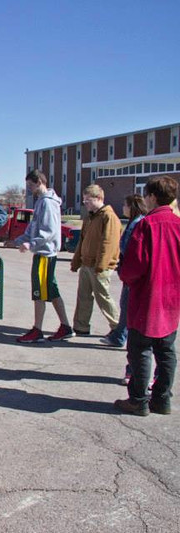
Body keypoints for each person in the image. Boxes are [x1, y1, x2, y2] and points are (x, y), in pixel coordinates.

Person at [114, 176, 180, 416]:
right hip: (172, 297)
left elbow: (134, 266)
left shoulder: (147, 225)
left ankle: (139, 400)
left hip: (147, 295)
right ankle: (162, 399)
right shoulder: (177, 223)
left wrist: (124, 274)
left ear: (153, 196)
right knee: (166, 350)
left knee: (140, 349)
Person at [15, 170, 73, 343]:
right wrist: (20, 240)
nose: (30, 189)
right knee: (52, 290)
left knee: (39, 292)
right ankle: (65, 327)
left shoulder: (47, 203)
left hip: (45, 254)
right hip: (43, 253)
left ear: (40, 181)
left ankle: (37, 330)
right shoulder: (41, 202)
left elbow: (48, 231)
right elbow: (34, 227)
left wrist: (31, 244)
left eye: (31, 185)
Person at [69, 184, 122, 336]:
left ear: (99, 198)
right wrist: (76, 261)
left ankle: (117, 327)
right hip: (86, 264)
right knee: (83, 297)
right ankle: (81, 326)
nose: (85, 204)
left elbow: (109, 243)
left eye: (88, 201)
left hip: (100, 267)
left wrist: (101, 265)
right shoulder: (89, 217)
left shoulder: (108, 216)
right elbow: (82, 240)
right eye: (84, 201)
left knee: (103, 297)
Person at [101, 195, 147, 356]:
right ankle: (119, 335)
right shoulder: (133, 222)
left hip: (132, 275)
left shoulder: (138, 223)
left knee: (127, 305)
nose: (123, 207)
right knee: (125, 304)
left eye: (125, 204)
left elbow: (129, 249)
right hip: (128, 272)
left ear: (132, 206)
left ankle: (119, 336)